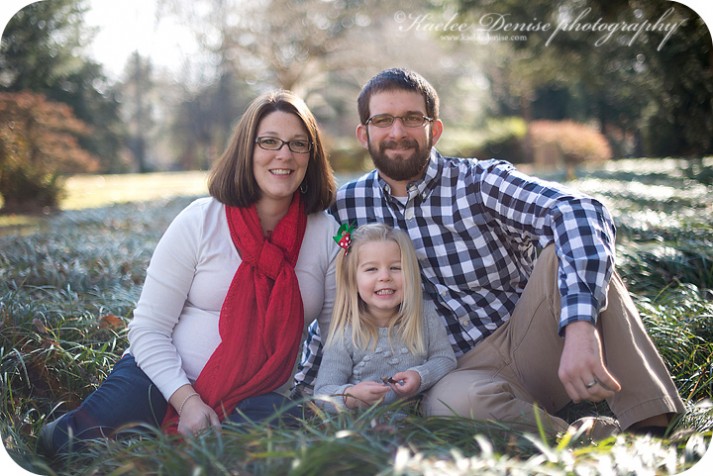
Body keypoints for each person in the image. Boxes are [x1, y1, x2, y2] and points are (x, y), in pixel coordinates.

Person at [296, 68, 684, 438]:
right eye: (383, 121)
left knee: (568, 248)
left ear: (436, 128)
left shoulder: (479, 181)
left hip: (531, 337)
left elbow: (579, 211)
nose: (397, 132)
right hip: (452, 369)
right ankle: (580, 438)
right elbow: (335, 299)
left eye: (413, 118)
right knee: (450, 405)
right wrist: (307, 393)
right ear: (364, 134)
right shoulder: (346, 209)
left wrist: (580, 327)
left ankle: (651, 424)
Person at [39, 90, 339, 458]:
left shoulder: (325, 233)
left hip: (256, 398)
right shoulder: (201, 219)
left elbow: (336, 338)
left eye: (298, 144)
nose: (285, 155)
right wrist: (188, 402)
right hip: (160, 380)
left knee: (268, 456)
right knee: (68, 445)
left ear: (312, 155)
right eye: (269, 141)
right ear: (248, 148)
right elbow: (148, 330)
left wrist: (331, 402)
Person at [314, 223, 455, 411]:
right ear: (352, 280)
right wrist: (351, 397)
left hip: (420, 423)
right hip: (364, 429)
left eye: (396, 268)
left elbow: (445, 358)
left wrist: (420, 376)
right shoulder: (346, 333)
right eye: (371, 269)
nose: (385, 277)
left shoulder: (424, 316)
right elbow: (323, 393)